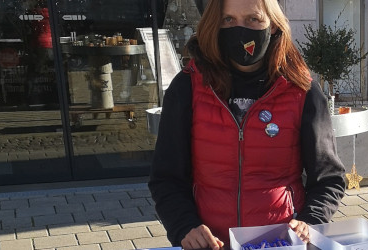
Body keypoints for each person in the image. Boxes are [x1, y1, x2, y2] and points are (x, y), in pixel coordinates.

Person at [148, 0, 347, 249]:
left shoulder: (301, 90)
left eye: (253, 19)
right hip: (211, 244)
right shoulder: (187, 86)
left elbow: (329, 178)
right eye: (228, 20)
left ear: (273, 25)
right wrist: (184, 226)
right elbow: (166, 177)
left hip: (279, 243)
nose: (240, 29)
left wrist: (310, 222)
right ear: (214, 24)